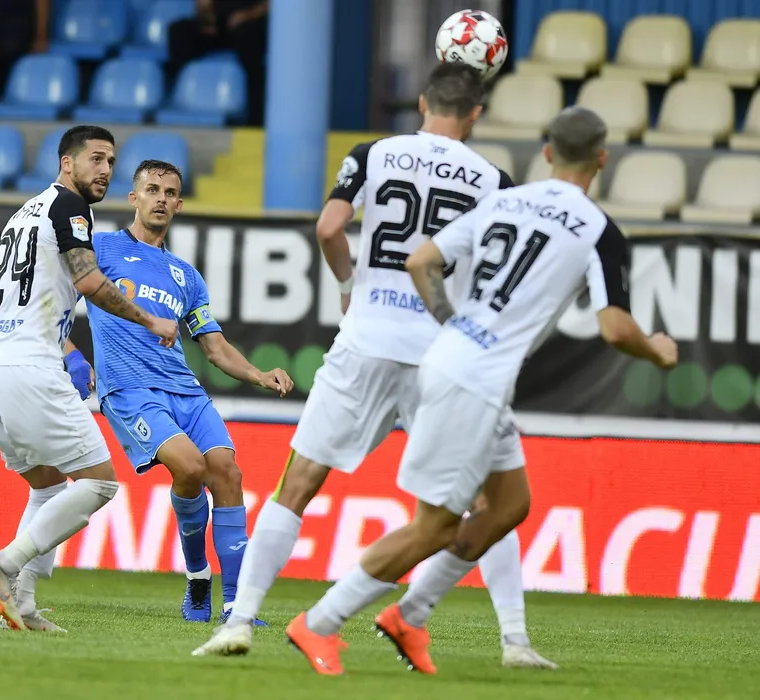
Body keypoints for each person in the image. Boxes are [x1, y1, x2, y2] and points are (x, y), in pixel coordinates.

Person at [285, 106, 679, 675]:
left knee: (510, 505)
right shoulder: (598, 229)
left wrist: (454, 326)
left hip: (458, 361)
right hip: (474, 380)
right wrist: (657, 349)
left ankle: (410, 615)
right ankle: (319, 623)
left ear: (547, 153)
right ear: (602, 159)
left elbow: (422, 260)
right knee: (434, 526)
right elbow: (616, 328)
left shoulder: (504, 202)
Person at [193, 62, 550, 666]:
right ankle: (515, 641)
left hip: (366, 340)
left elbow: (330, 227)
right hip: (443, 355)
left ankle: (240, 621)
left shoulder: (374, 153)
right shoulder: (495, 180)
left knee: (297, 486)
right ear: (475, 114)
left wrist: (349, 283)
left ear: (422, 102)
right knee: (487, 499)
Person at [0, 126, 178, 632]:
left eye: (111, 162)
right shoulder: (70, 208)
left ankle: (20, 608)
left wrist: (56, 346)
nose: (105, 170)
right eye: (96, 159)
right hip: (30, 368)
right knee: (100, 482)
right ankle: (4, 563)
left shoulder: (23, 214)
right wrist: (150, 320)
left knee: (46, 484)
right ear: (67, 163)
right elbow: (88, 280)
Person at [87, 159, 294, 623]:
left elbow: (215, 348)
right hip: (131, 389)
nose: (160, 199)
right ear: (133, 198)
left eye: (169, 193)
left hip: (185, 391)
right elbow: (59, 295)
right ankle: (198, 577)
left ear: (179, 204)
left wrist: (259, 374)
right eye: (151, 189)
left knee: (228, 473)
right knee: (191, 466)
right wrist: (69, 354)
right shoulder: (101, 249)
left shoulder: (186, 275)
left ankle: (236, 606)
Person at [166, 0, 268, 126]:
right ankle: (177, 97)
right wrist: (207, 20)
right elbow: (203, 4)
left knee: (250, 38)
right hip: (220, 26)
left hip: (251, 24)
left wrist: (248, 15)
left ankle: (255, 116)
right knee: (178, 30)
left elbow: (270, 5)